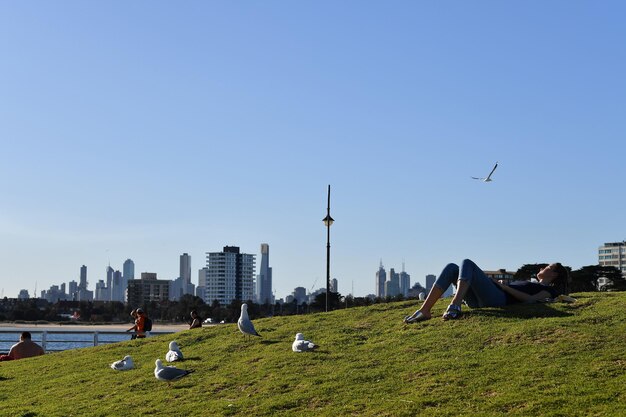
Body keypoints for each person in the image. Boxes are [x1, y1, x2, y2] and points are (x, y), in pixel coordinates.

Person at [404, 259, 570, 323]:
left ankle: (455, 304)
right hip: (482, 299)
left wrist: (503, 287)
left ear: (554, 275)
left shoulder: (548, 290)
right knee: (452, 267)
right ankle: (425, 310)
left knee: (466, 263)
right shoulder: (530, 281)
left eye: (547, 267)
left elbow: (530, 300)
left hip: (498, 298)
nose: (542, 268)